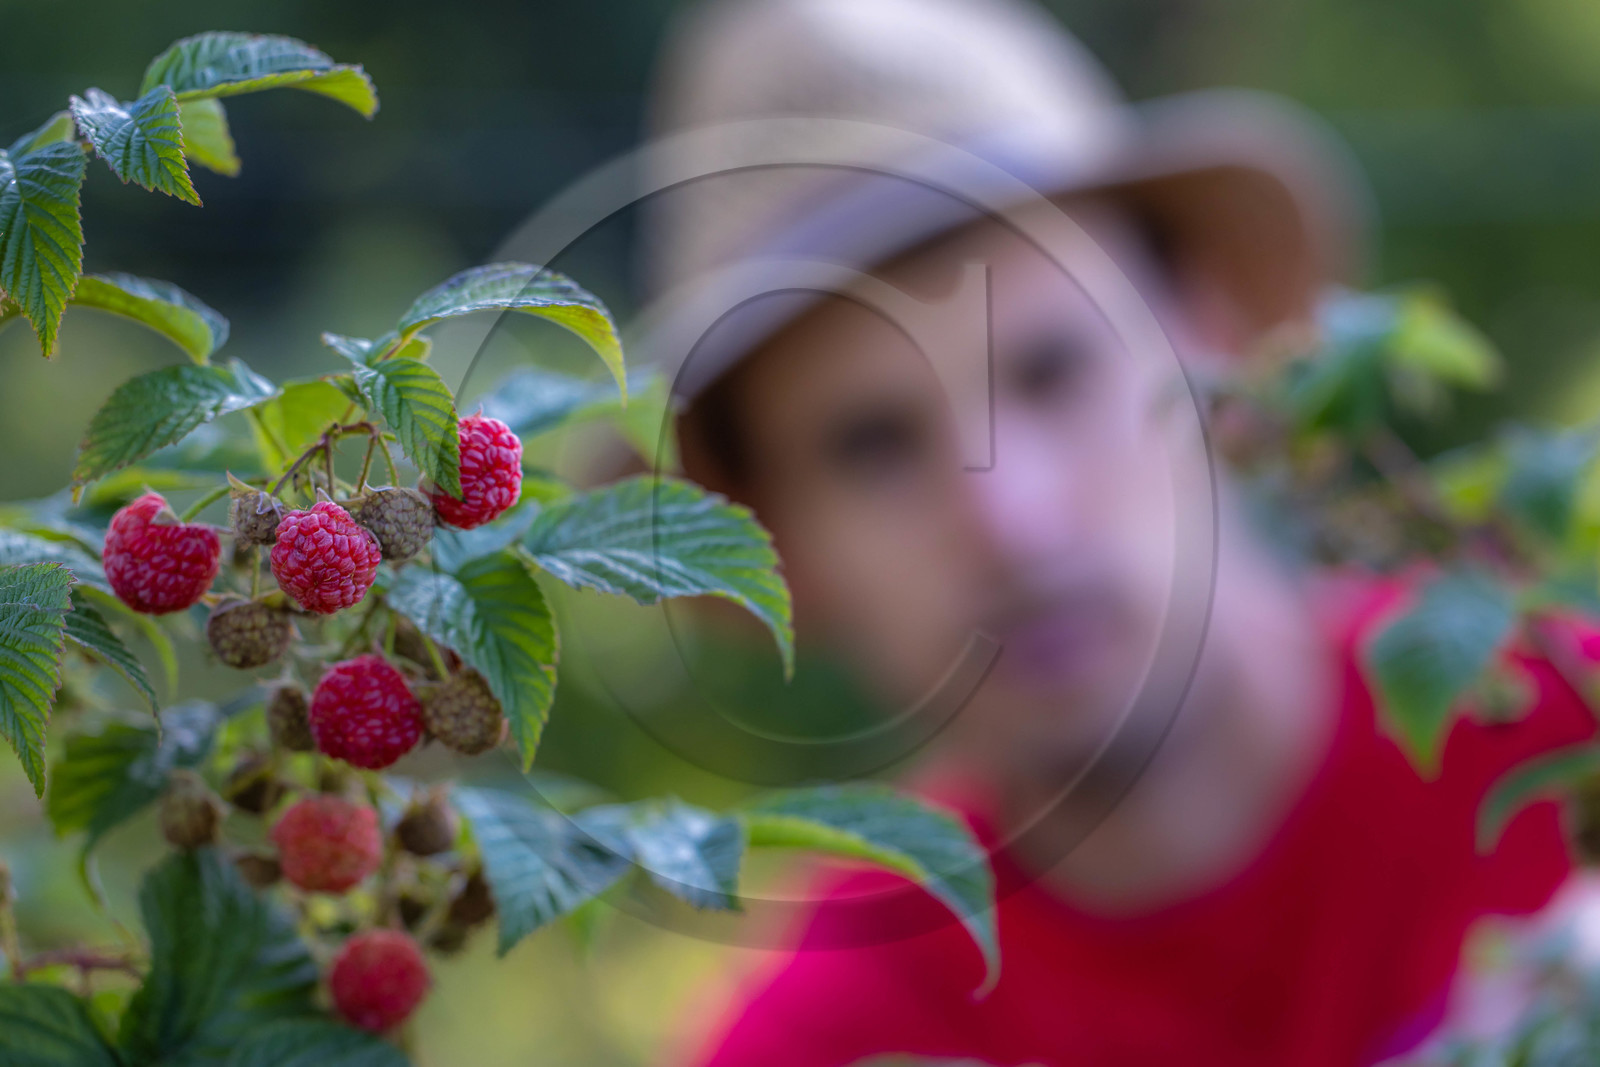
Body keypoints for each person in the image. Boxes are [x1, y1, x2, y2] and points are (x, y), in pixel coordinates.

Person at [629, 0, 1599, 1062]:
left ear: (1218, 346)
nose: (1012, 519)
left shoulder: (1571, 725)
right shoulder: (828, 1042)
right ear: (772, 544)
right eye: (875, 446)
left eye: (1053, 371)